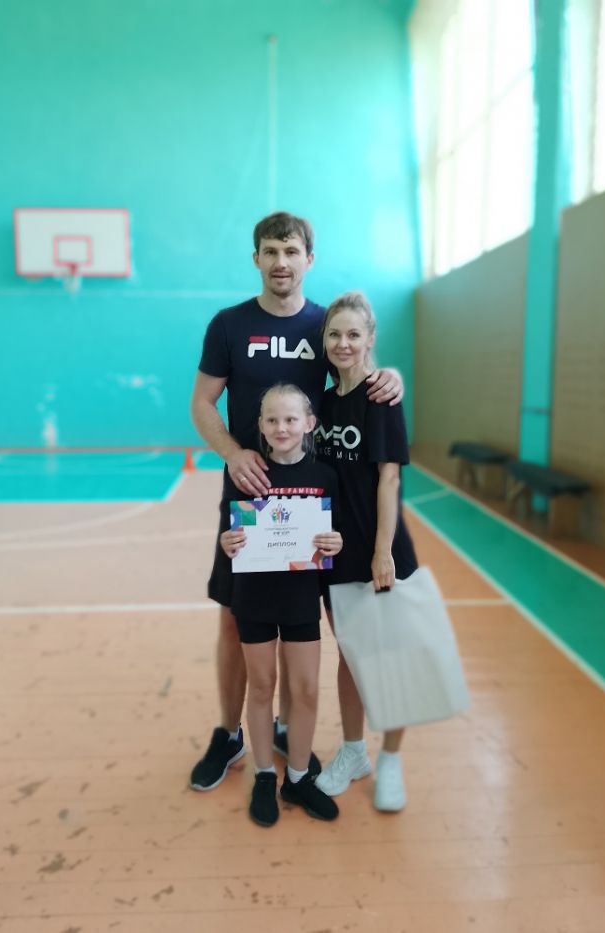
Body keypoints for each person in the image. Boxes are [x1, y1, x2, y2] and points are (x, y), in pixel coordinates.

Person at [189, 212, 403, 792]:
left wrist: (390, 377)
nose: (280, 262)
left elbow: (358, 365)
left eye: (290, 251)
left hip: (317, 497)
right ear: (256, 259)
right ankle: (230, 733)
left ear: (309, 259)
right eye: (270, 251)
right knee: (236, 619)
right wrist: (233, 453)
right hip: (251, 490)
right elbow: (202, 403)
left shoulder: (325, 325)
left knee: (324, 618)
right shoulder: (229, 325)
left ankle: (305, 734)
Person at [313, 291, 418, 812]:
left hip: (382, 551)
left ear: (370, 338)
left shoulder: (382, 398)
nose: (343, 343)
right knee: (352, 655)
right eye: (335, 334)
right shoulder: (322, 404)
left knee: (389, 659)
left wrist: (381, 552)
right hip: (336, 552)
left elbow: (388, 480)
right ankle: (354, 752)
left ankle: (391, 758)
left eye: (354, 334)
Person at [219, 383, 342, 826]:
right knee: (262, 685)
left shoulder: (325, 476)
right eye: (272, 420)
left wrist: (337, 542)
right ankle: (265, 775)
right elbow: (234, 534)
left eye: (291, 419)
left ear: (309, 423)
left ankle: (298, 776)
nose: (282, 427)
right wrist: (228, 542)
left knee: (305, 688)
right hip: (254, 597)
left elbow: (336, 536)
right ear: (261, 426)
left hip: (300, 598)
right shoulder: (248, 474)